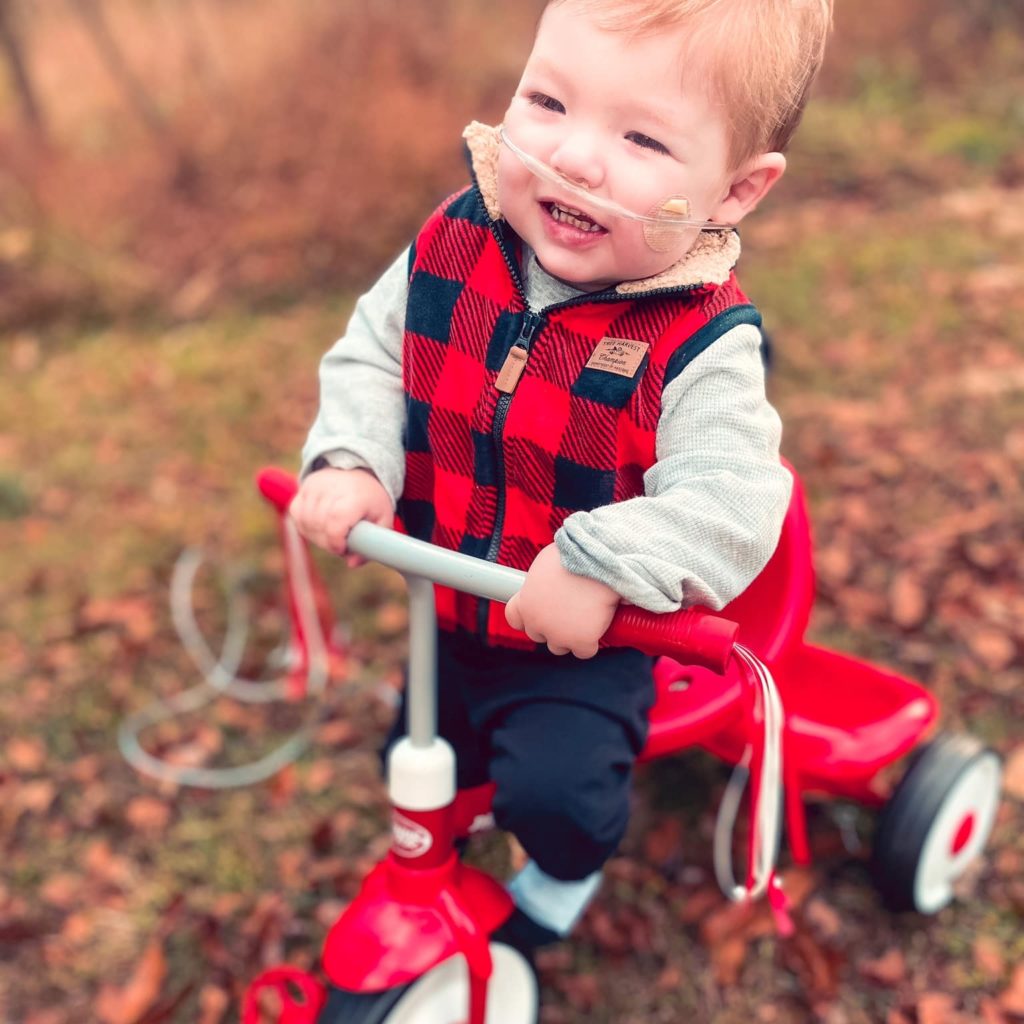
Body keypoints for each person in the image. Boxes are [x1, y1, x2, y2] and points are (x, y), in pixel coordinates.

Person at [292, 0, 832, 950]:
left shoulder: (702, 342)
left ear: (737, 190)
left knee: (557, 796)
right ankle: (456, 849)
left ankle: (564, 873)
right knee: (423, 758)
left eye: (641, 137)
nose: (576, 158)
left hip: (585, 645)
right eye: (547, 99)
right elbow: (377, 354)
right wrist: (354, 459)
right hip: (453, 604)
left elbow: (736, 500)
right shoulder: (454, 241)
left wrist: (599, 562)